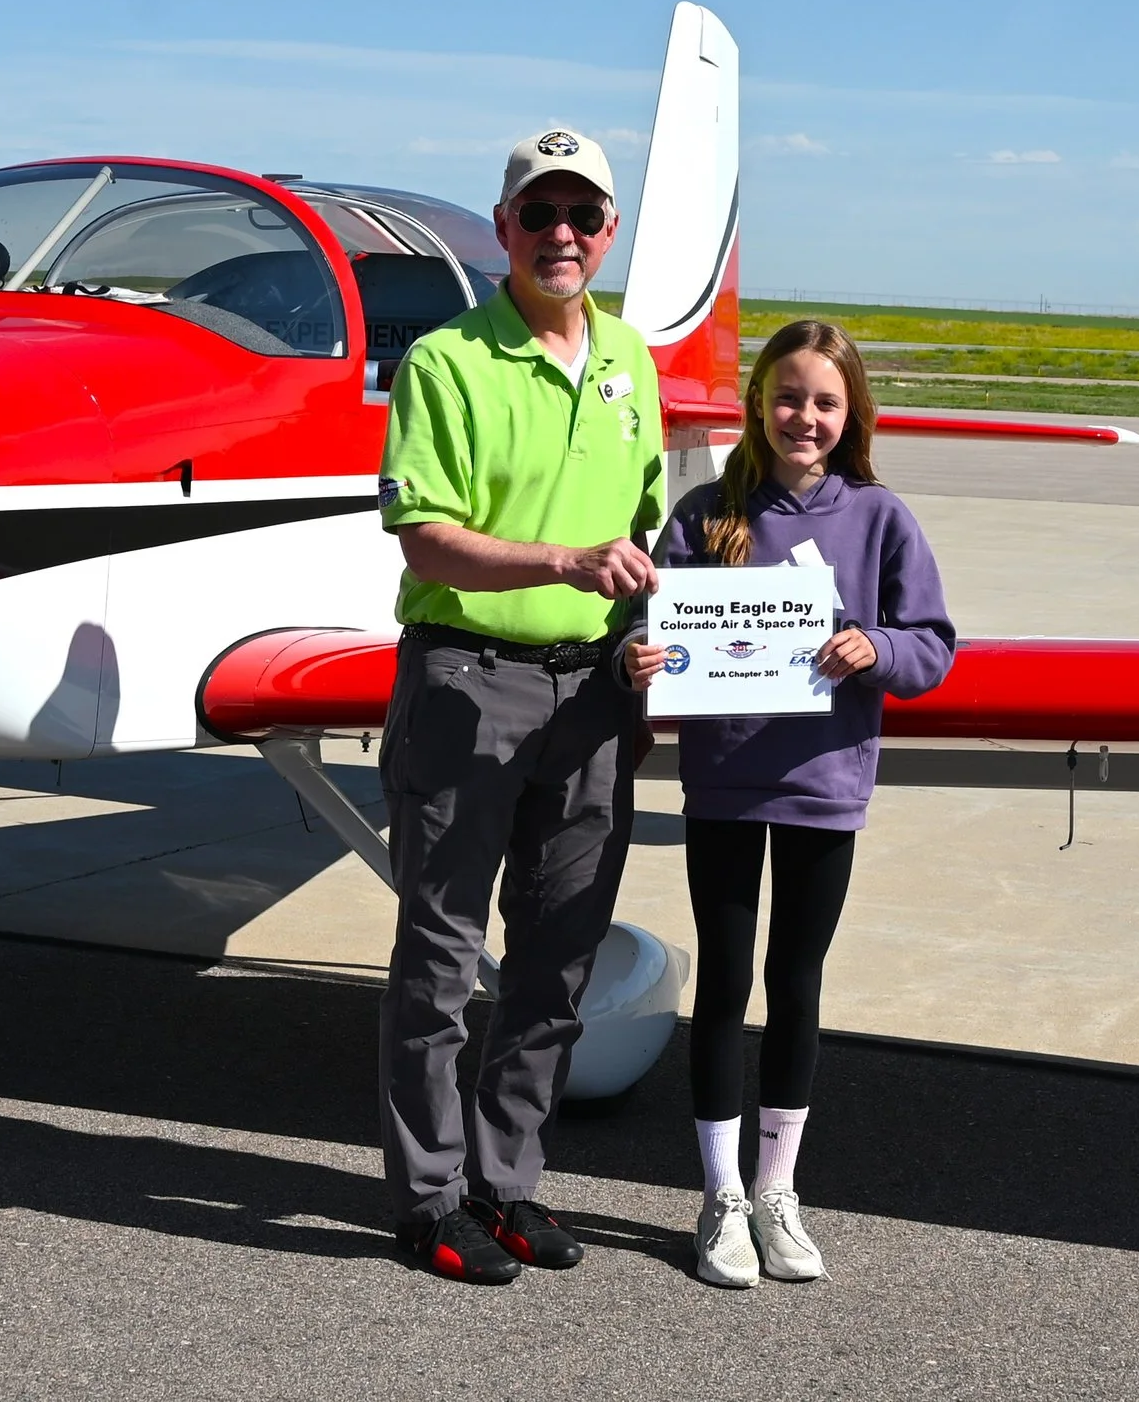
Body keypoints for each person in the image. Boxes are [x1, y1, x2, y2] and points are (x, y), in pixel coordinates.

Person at [374, 127, 666, 1285]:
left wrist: (661, 638)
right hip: (467, 680)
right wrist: (562, 564)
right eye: (538, 214)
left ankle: (506, 1187)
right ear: (502, 229)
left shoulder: (631, 360)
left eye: (583, 217)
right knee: (440, 956)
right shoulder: (446, 361)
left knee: (557, 956)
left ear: (607, 234)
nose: (562, 235)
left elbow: (646, 529)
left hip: (593, 691)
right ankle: (427, 1197)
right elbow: (424, 533)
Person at [623, 319, 955, 1288]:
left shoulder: (880, 519)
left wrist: (877, 651)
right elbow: (648, 627)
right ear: (756, 402)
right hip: (723, 784)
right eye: (786, 396)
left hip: (823, 784)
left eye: (823, 402)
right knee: (724, 982)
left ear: (850, 414)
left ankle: (778, 1189)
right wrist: (637, 658)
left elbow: (931, 643)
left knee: (795, 982)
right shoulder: (704, 514)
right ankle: (719, 1194)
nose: (802, 417)